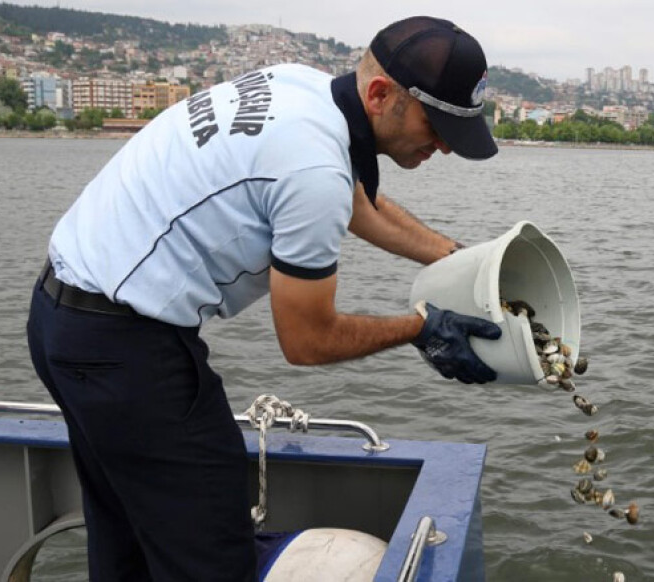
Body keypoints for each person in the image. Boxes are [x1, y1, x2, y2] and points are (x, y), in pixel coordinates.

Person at [26, 16, 502, 581]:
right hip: (122, 349)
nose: (445, 145)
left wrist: (458, 259)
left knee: (125, 537)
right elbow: (307, 340)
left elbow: (356, 204)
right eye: (438, 124)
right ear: (380, 95)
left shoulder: (301, 86)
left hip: (60, 315)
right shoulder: (313, 169)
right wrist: (421, 328)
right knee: (211, 559)